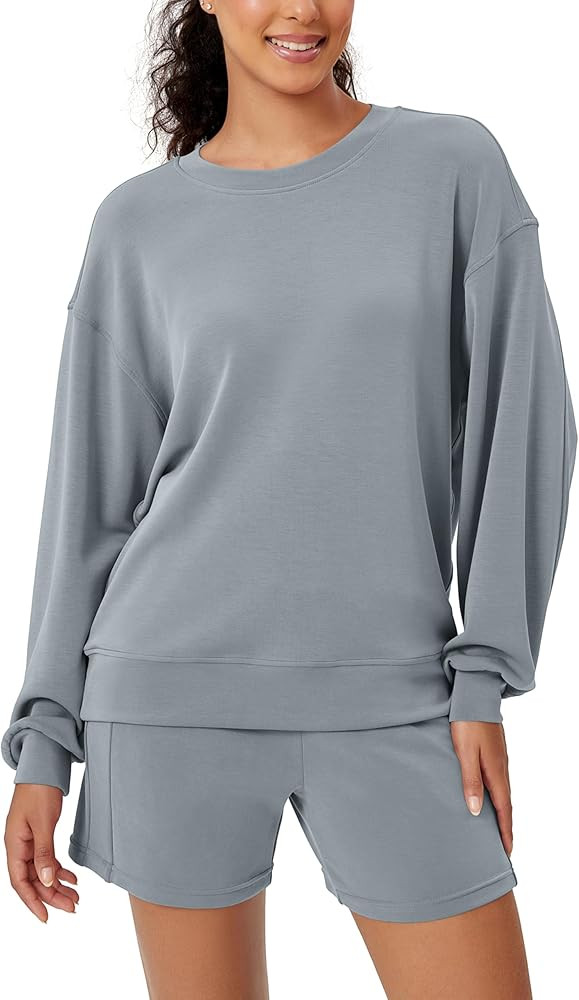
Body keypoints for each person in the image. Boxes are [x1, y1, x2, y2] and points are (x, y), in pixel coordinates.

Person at [3, 1, 576, 997]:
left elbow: (526, 423)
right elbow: (86, 498)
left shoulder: (451, 166)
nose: (301, 9)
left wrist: (485, 669)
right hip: (169, 700)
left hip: (399, 696)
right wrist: (46, 739)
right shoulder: (137, 224)